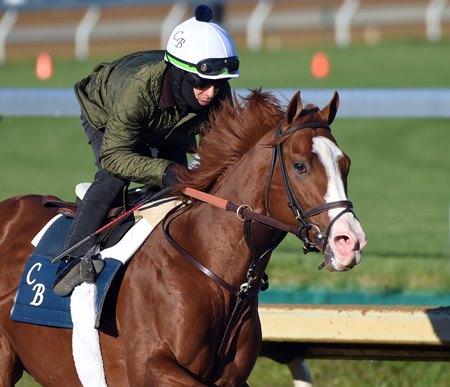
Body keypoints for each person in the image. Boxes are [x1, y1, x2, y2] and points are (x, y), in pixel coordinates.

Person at [52, 5, 240, 296]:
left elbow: (223, 154)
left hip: (167, 124)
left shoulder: (216, 93)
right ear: (180, 75)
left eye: (218, 84)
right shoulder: (138, 89)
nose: (211, 93)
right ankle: (72, 257)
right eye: (202, 84)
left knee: (179, 191)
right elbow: (114, 156)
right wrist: (164, 171)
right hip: (106, 113)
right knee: (114, 177)